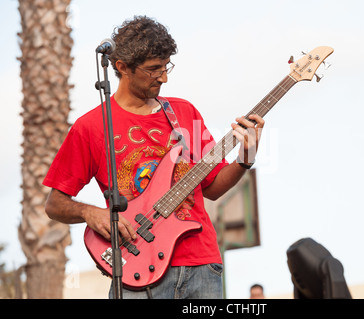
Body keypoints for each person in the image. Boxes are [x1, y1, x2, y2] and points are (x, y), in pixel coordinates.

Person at [43, 15, 264, 299]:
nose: (164, 76)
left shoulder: (185, 113)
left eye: (166, 66)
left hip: (202, 264)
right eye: (153, 69)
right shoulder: (92, 127)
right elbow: (55, 204)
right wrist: (90, 212)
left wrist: (245, 159)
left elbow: (212, 188)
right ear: (122, 67)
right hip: (137, 269)